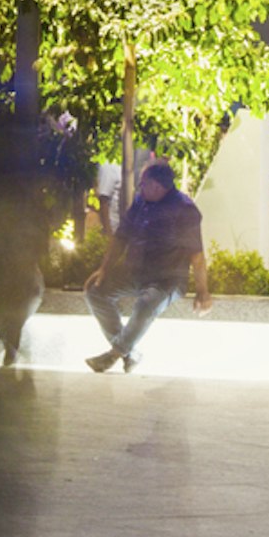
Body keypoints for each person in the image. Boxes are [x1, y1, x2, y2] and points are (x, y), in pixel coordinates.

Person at [82, 158, 205, 375]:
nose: (140, 188)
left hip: (168, 279)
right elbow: (121, 238)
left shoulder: (185, 209)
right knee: (95, 291)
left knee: (146, 305)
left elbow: (196, 254)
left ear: (157, 186)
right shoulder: (141, 201)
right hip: (136, 272)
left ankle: (114, 355)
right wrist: (104, 269)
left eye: (144, 183)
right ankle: (129, 353)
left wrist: (203, 292)